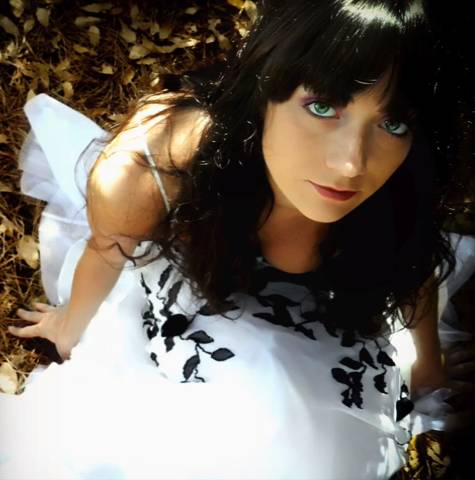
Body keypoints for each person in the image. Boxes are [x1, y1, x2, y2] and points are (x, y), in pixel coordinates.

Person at [1, 0, 474, 478]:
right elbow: (108, 250)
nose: (351, 163)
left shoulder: (405, 176)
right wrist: (70, 327)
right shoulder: (157, 168)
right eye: (322, 106)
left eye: (392, 123)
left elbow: (412, 260)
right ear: (266, 86)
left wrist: (427, 365)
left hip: (330, 321)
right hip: (203, 289)